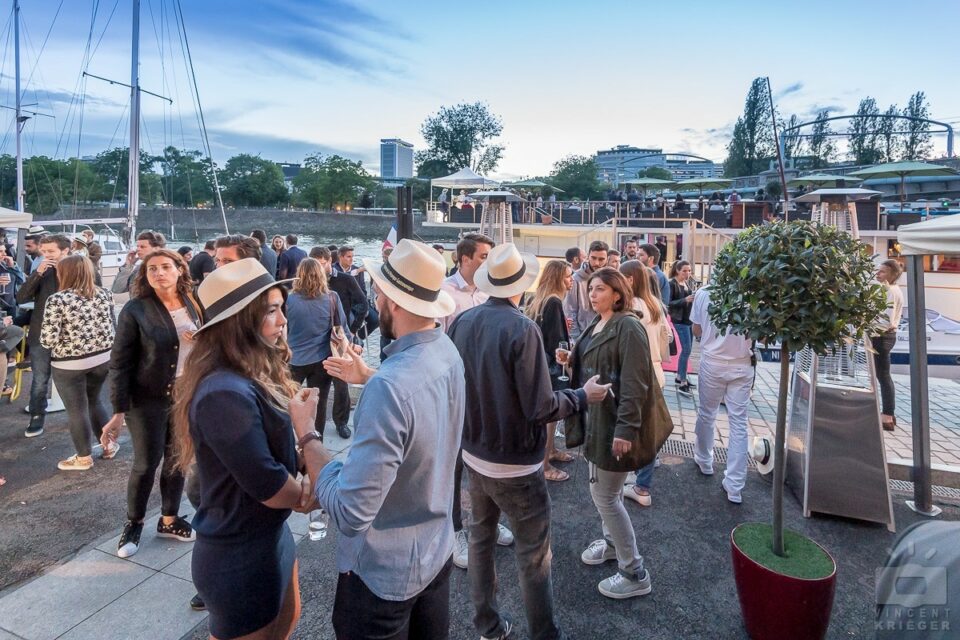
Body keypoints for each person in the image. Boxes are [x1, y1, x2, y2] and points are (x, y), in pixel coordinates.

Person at [302, 239, 464, 639]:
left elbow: (354, 512)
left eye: (379, 292)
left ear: (393, 302)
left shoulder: (391, 388)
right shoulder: (446, 351)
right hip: (436, 553)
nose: (375, 298)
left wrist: (307, 435)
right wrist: (369, 376)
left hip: (383, 577)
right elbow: (421, 404)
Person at [449, 243, 609, 640]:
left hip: (474, 453)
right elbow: (541, 407)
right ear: (521, 284)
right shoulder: (523, 329)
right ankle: (543, 634)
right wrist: (581, 396)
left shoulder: (462, 322)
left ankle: (487, 624)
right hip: (516, 463)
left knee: (481, 540)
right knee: (533, 556)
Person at [172, 258, 314, 640]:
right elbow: (268, 485)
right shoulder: (223, 392)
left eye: (281, 308)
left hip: (271, 539)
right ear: (240, 321)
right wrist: (314, 490)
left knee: (285, 624)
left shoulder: (252, 372)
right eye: (271, 311)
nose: (283, 320)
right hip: (238, 554)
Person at [560, 267, 660, 599]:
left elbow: (636, 383)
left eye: (599, 289)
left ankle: (634, 571)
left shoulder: (628, 326)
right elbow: (592, 360)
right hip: (597, 421)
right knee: (607, 495)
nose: (592, 294)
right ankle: (614, 546)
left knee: (605, 497)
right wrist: (569, 359)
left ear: (617, 293)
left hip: (613, 423)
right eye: (590, 289)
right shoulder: (599, 322)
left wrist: (626, 429)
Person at [100, 248, 202, 558]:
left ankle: (169, 519)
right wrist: (117, 412)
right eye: (152, 268)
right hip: (146, 398)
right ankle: (134, 523)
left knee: (177, 459)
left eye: (165, 267)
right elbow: (119, 363)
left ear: (179, 270)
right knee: (146, 463)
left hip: (185, 395)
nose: (158, 272)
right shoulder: (136, 310)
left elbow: (208, 340)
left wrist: (201, 340)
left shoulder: (193, 302)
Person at [438, 233, 513, 570]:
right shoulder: (443, 293)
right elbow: (435, 343)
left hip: (486, 392)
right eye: (484, 256)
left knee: (485, 459)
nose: (489, 261)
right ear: (464, 258)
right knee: (453, 466)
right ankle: (453, 531)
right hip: (454, 392)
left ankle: (487, 521)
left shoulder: (490, 294)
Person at [39, 255, 115, 471]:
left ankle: (83, 458)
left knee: (76, 409)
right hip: (102, 358)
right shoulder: (104, 294)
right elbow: (113, 326)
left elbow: (48, 339)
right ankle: (108, 446)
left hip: (69, 363)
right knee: (94, 401)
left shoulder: (58, 299)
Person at [691, 284, 755, 504]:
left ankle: (704, 459)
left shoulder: (704, 292)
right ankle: (735, 485)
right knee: (738, 422)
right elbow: (762, 336)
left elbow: (696, 330)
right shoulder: (752, 292)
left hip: (713, 361)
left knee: (707, 413)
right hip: (742, 363)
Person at [619, 260, 671, 507]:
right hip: (657, 371)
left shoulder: (630, 307)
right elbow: (665, 341)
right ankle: (642, 482)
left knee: (631, 426)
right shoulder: (656, 305)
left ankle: (639, 485)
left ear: (630, 279)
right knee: (648, 431)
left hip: (637, 373)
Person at [286, 258, 354, 442]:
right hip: (322, 358)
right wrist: (353, 345)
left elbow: (284, 329)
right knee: (319, 402)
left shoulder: (289, 300)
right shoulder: (332, 297)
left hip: (295, 359)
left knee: (286, 401)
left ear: (299, 275)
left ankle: (289, 440)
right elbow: (342, 326)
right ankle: (317, 442)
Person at [525, 259, 576, 482]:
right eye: (567, 276)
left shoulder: (536, 299)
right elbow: (557, 342)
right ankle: (545, 465)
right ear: (557, 278)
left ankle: (551, 452)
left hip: (540, 364)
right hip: (553, 368)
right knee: (551, 417)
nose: (571, 280)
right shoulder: (554, 301)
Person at [17, 234, 72, 438]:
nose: (45, 255)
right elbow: (21, 297)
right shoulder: (43, 271)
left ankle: (80, 418)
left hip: (70, 335)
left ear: (65, 251)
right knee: (40, 378)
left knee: (74, 379)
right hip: (41, 333)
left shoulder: (78, 270)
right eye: (43, 251)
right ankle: (37, 416)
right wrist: (37, 274)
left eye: (50, 251)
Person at [311, 246, 367, 440]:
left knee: (341, 383)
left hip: (339, 339)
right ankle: (316, 427)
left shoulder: (345, 279)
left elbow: (363, 303)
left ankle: (341, 422)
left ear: (329, 261)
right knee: (320, 387)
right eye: (314, 264)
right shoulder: (308, 283)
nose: (318, 268)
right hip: (316, 343)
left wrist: (353, 330)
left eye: (321, 264)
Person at [872, 259, 904, 431]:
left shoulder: (890, 291)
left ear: (892, 275)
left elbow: (887, 320)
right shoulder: (893, 290)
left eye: (882, 271)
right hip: (886, 336)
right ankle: (889, 414)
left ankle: (887, 416)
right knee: (883, 375)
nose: (878, 273)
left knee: (883, 376)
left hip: (882, 336)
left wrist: (867, 325)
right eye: (878, 270)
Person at [564, 240, 608, 339]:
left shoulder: (611, 279)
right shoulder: (576, 279)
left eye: (601, 259)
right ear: (588, 256)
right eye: (593, 258)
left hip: (605, 336)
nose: (597, 263)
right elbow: (570, 312)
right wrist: (577, 340)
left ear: (607, 259)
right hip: (584, 336)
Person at [335, 245, 379, 340]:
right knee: (350, 320)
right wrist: (356, 272)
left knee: (376, 319)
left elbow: (363, 289)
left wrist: (364, 305)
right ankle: (351, 339)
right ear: (341, 257)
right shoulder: (334, 269)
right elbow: (342, 278)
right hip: (343, 303)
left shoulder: (357, 270)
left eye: (352, 256)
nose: (351, 259)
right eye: (348, 257)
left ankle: (358, 336)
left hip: (357, 302)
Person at [668, 260, 696, 395]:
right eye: (685, 270)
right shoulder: (671, 283)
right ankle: (682, 380)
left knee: (688, 350)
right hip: (679, 321)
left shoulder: (686, 282)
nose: (688, 273)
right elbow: (668, 303)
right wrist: (685, 300)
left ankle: (680, 376)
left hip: (687, 319)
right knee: (686, 349)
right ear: (677, 270)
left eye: (689, 270)